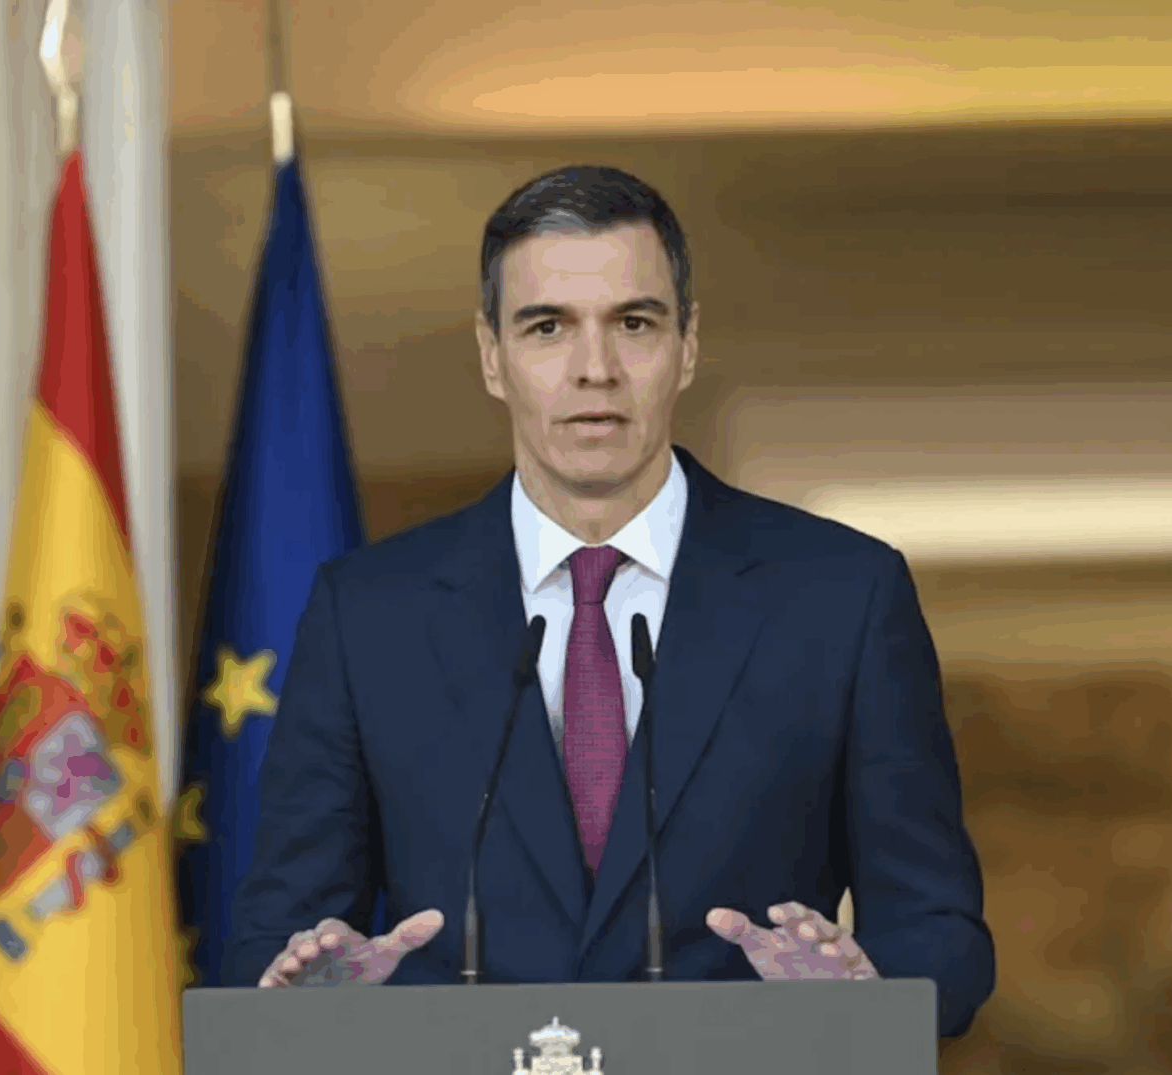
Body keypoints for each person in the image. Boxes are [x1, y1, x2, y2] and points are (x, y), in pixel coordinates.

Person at [230, 165, 994, 1037]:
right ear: (491, 355)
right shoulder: (368, 614)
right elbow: (271, 934)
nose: (595, 370)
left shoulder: (842, 596)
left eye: (634, 323)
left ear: (688, 344)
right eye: (547, 327)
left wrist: (872, 991)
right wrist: (308, 988)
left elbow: (942, 932)